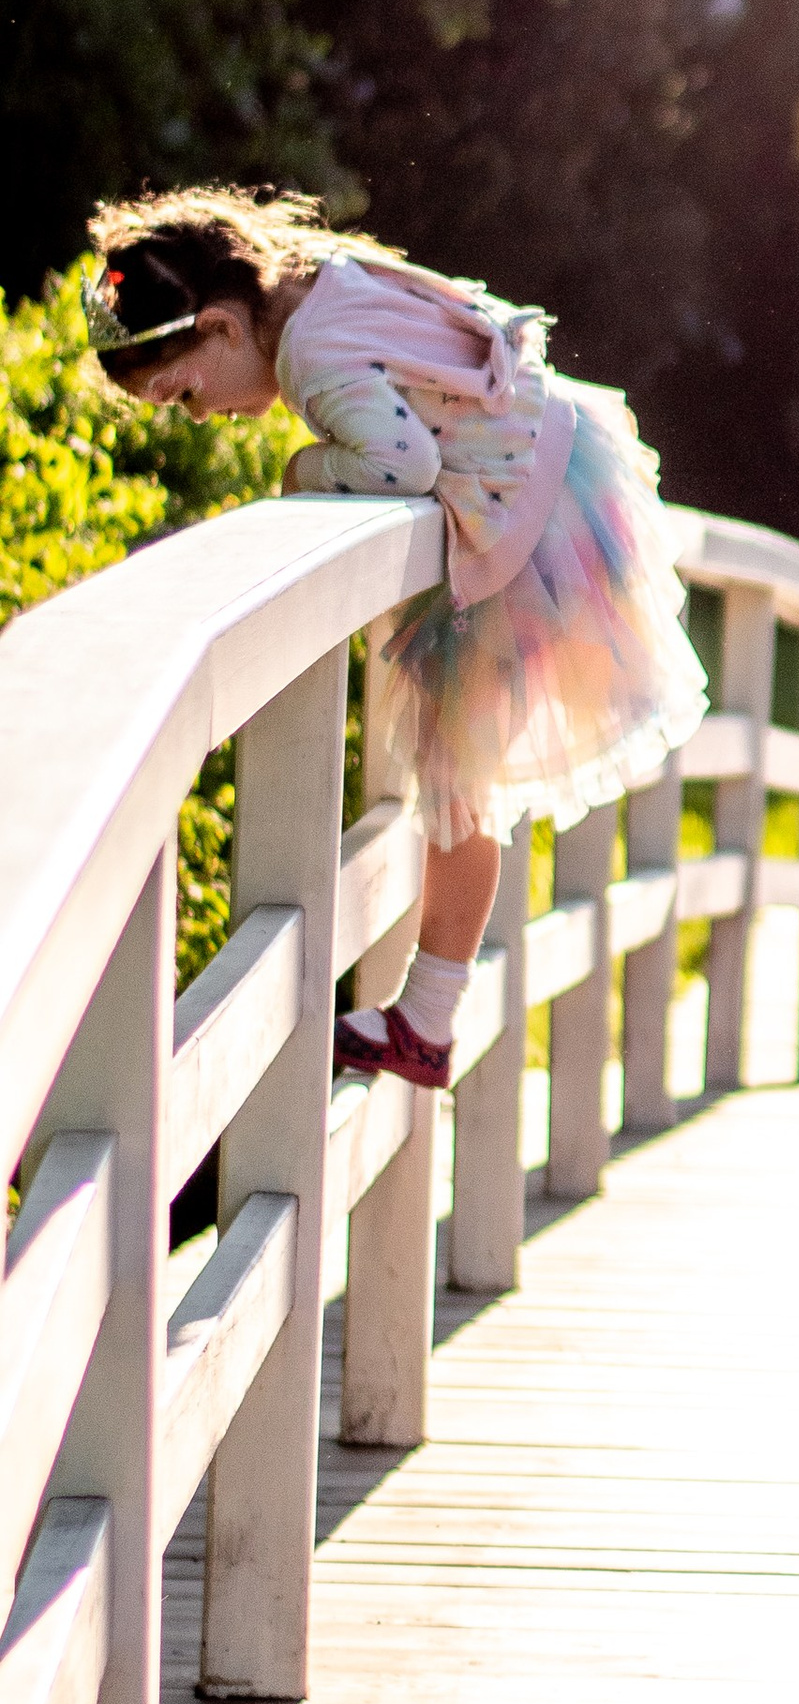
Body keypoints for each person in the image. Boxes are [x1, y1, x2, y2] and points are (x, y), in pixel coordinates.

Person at [86, 187, 707, 1085]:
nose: (198, 415)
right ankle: (426, 1011)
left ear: (222, 329)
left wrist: (305, 470)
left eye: (184, 394)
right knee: (456, 780)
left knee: (456, 781)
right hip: (549, 469)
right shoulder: (318, 285)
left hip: (522, 518)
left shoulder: (316, 357)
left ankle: (426, 1021)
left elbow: (399, 463)